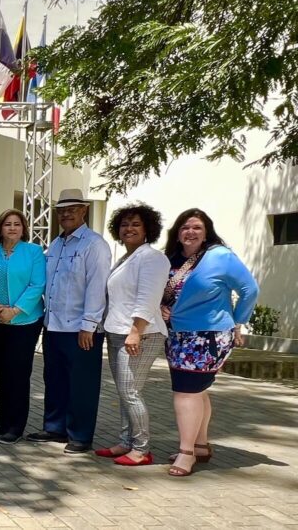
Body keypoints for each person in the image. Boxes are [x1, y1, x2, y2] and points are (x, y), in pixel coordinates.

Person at [161, 209, 258, 477]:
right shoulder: (171, 259)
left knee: (185, 392)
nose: (189, 232)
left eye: (196, 227)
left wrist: (238, 321)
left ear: (206, 232)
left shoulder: (221, 256)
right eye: (184, 227)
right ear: (177, 232)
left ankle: (186, 453)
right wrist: (161, 307)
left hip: (208, 336)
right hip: (177, 334)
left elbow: (250, 289)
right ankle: (200, 445)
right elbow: (163, 292)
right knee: (197, 391)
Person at [27, 189, 112, 454]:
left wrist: (89, 324)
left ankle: (80, 435)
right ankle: (55, 427)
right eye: (62, 210)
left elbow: (97, 287)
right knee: (55, 379)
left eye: (72, 209)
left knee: (82, 384)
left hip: (80, 328)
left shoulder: (94, 244)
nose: (66, 214)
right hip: (53, 326)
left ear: (83, 211)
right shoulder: (56, 244)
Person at [95, 203, 171, 465]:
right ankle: (126, 442)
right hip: (116, 332)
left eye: (136, 224)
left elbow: (147, 299)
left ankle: (141, 449)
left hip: (141, 334)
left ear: (148, 229)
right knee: (124, 391)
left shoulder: (152, 258)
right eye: (125, 224)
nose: (129, 228)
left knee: (131, 392)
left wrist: (135, 332)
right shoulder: (127, 257)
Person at [0, 209, 46, 445]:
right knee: (1, 373)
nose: (12, 228)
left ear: (24, 228)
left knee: (18, 374)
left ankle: (16, 426)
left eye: (17, 224)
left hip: (25, 321)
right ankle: (5, 422)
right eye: (7, 224)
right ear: (0, 228)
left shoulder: (34, 252)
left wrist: (15, 310)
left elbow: (37, 284)